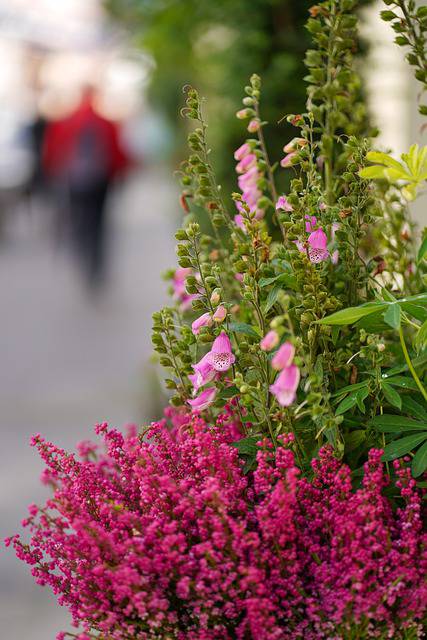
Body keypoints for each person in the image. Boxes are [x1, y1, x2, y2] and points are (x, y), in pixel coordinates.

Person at [43, 86, 129, 288]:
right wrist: (119, 173)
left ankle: (84, 259)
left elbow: (53, 150)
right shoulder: (105, 122)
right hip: (101, 180)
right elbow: (118, 151)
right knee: (99, 224)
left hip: (75, 181)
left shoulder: (66, 121)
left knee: (80, 222)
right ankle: (96, 266)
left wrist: (52, 174)